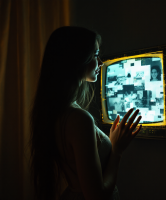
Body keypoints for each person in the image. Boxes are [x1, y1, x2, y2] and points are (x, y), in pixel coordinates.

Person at [29, 26, 142, 200]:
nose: (101, 62)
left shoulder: (58, 112)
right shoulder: (79, 119)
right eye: (96, 55)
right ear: (77, 59)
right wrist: (117, 151)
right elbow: (97, 195)